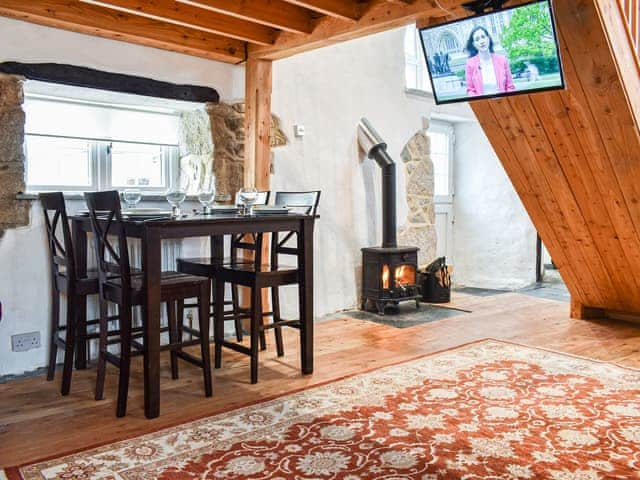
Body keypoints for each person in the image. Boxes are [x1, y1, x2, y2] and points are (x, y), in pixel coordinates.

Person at [464, 26, 515, 97]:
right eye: (477, 39)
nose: (481, 41)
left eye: (483, 37)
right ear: (474, 44)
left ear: (488, 38)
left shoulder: (502, 59)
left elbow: (510, 86)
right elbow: (470, 90)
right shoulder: (470, 64)